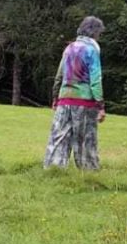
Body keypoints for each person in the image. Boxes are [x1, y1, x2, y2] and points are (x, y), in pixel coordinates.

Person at [43, 16, 106, 170]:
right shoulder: (92, 50)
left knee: (59, 138)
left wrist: (55, 98)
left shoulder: (69, 48)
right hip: (85, 101)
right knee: (85, 140)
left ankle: (54, 170)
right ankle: (88, 172)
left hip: (64, 99)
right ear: (94, 32)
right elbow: (95, 80)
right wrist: (100, 106)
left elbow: (59, 76)